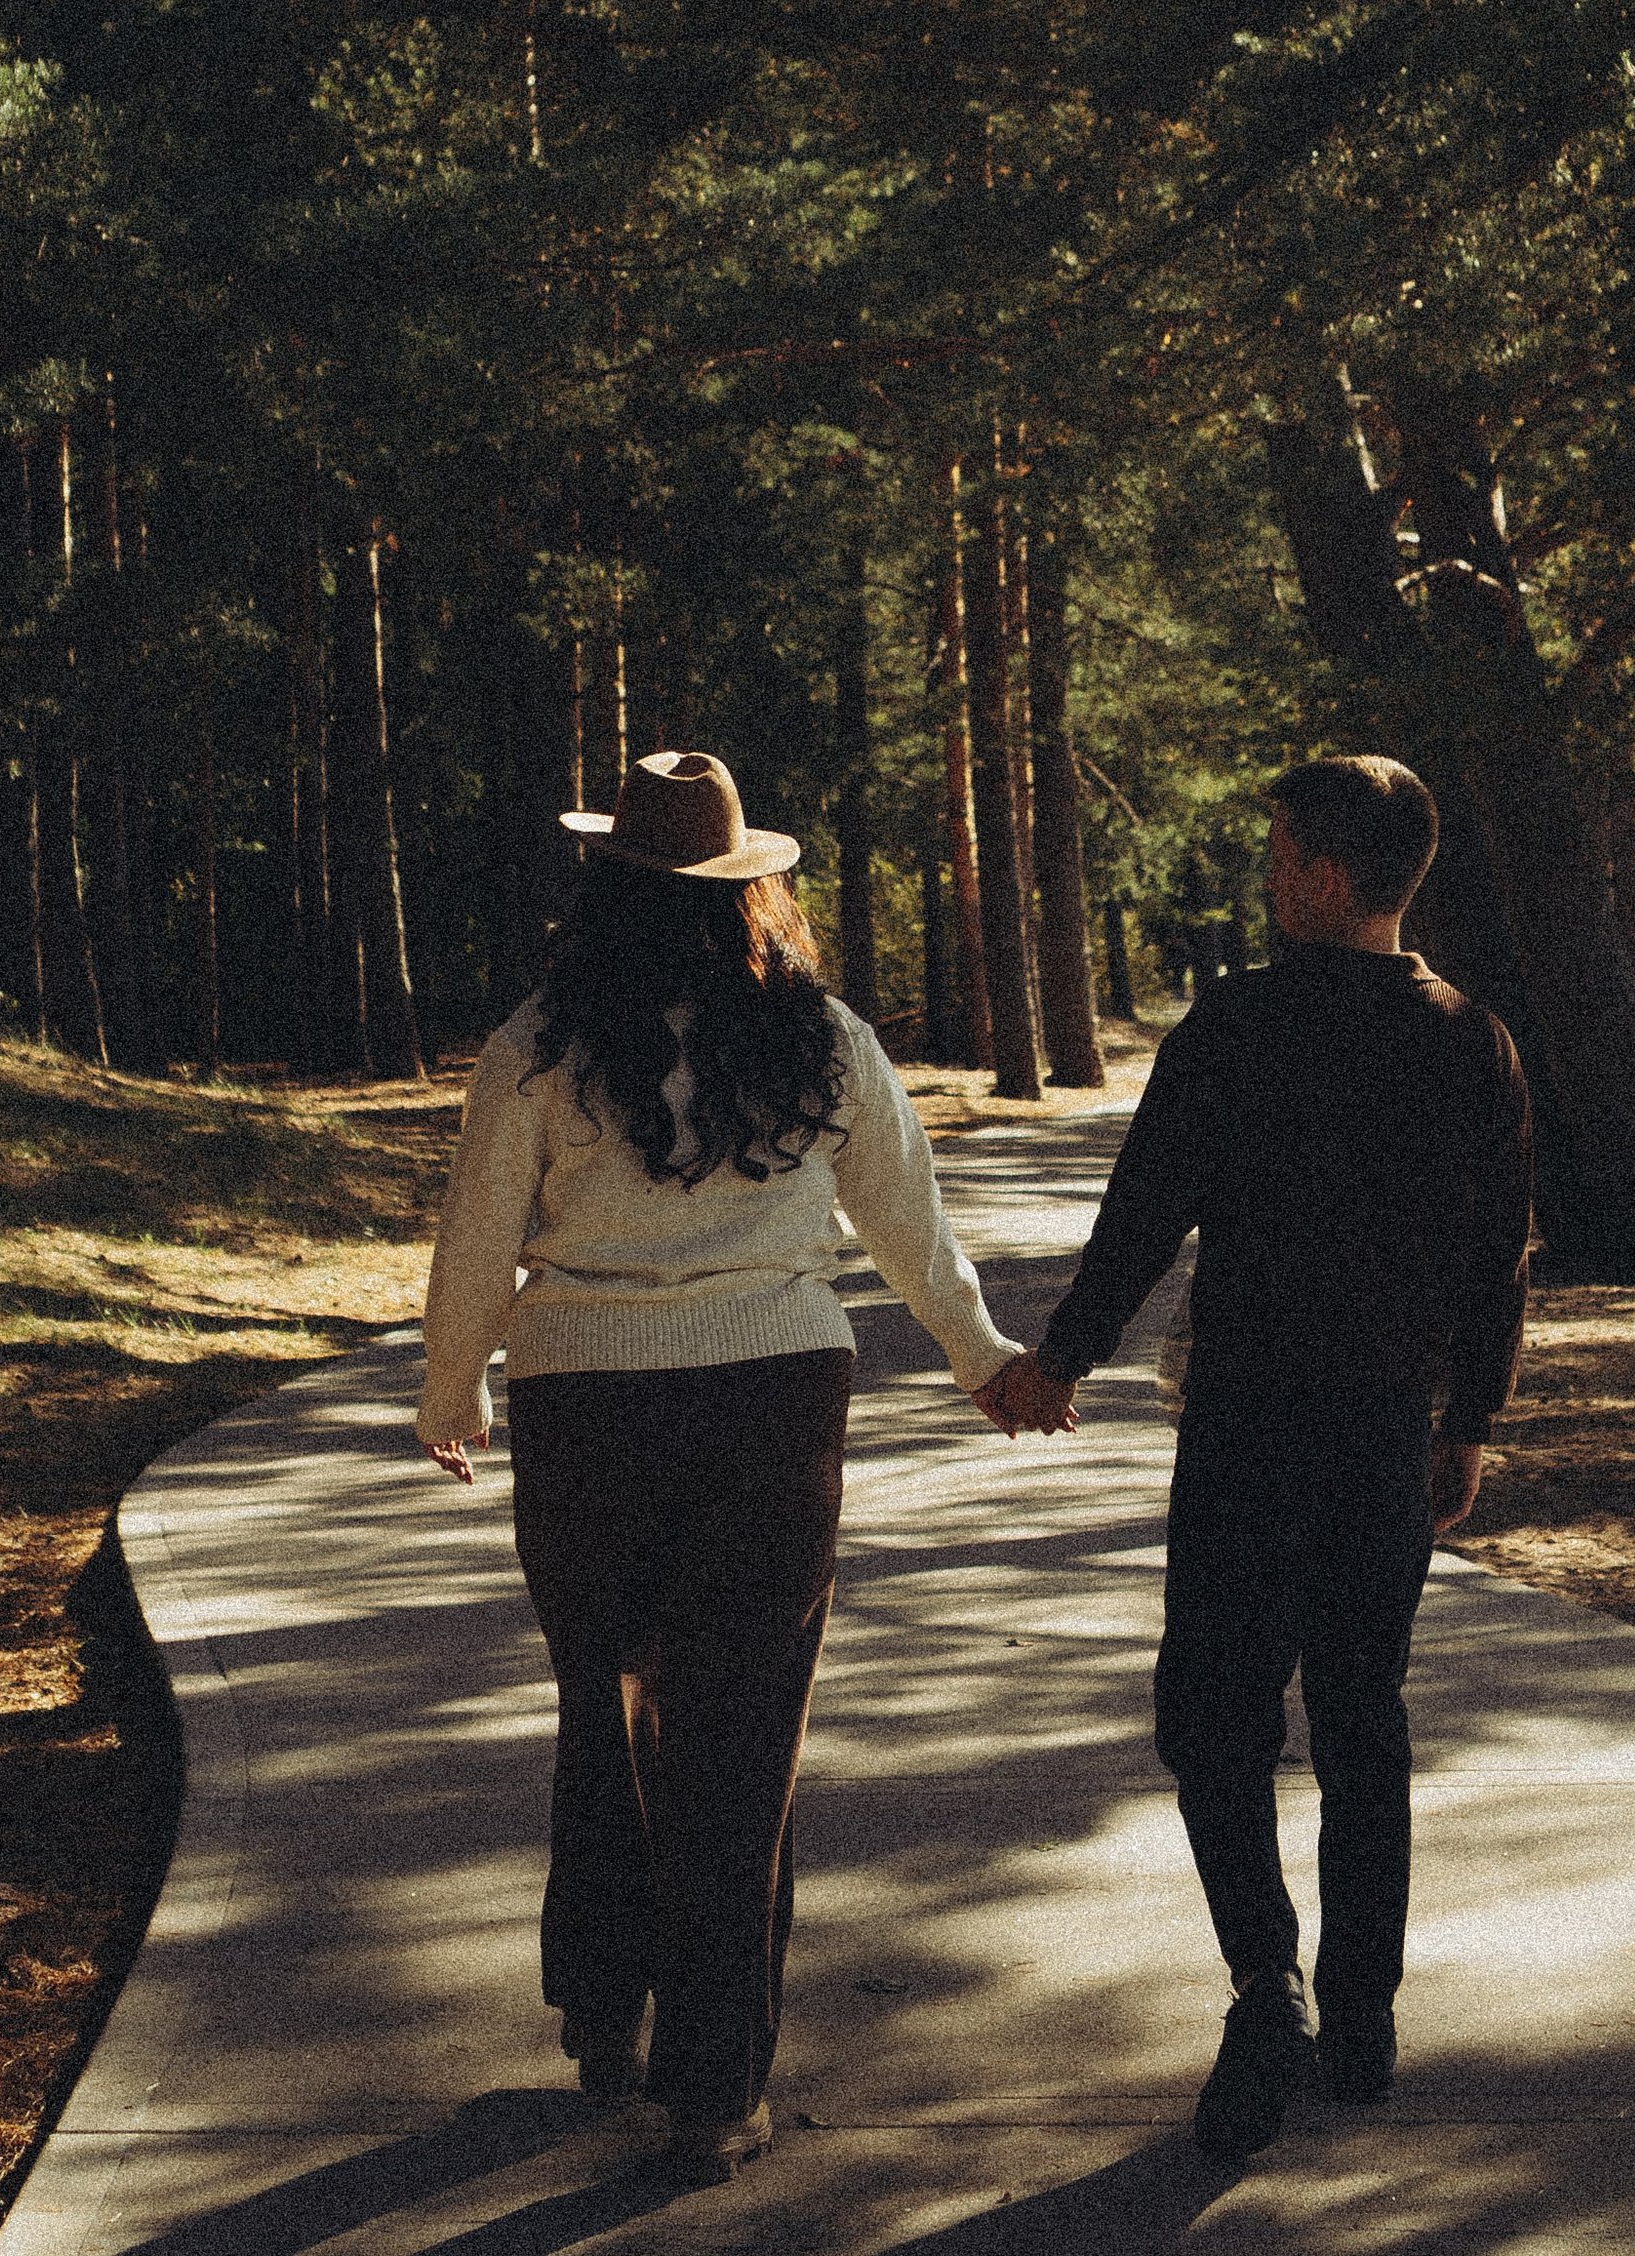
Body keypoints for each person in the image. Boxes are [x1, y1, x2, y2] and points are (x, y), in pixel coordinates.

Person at [417, 747, 1026, 2186]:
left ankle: (602, 2001)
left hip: (585, 1414)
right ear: (749, 890)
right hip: (770, 1408)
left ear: (605, 886)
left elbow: (476, 1243)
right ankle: (717, 2089)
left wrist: (454, 1393)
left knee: (601, 1703)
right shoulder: (820, 1040)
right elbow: (908, 1224)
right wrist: (982, 1359)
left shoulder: (538, 1045)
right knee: (738, 1743)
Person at [987, 753, 1531, 2160]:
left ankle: (1265, 1986)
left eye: (1282, 848)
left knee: (1213, 1720)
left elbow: (1144, 1214)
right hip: (1379, 1437)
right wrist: (1468, 1421)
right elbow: (1497, 1265)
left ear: (1329, 877)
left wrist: (1060, 1363)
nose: (1268, 869)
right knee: (1362, 1716)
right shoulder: (1472, 1039)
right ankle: (1360, 2017)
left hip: (1246, 1434)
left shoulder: (1231, 1029)